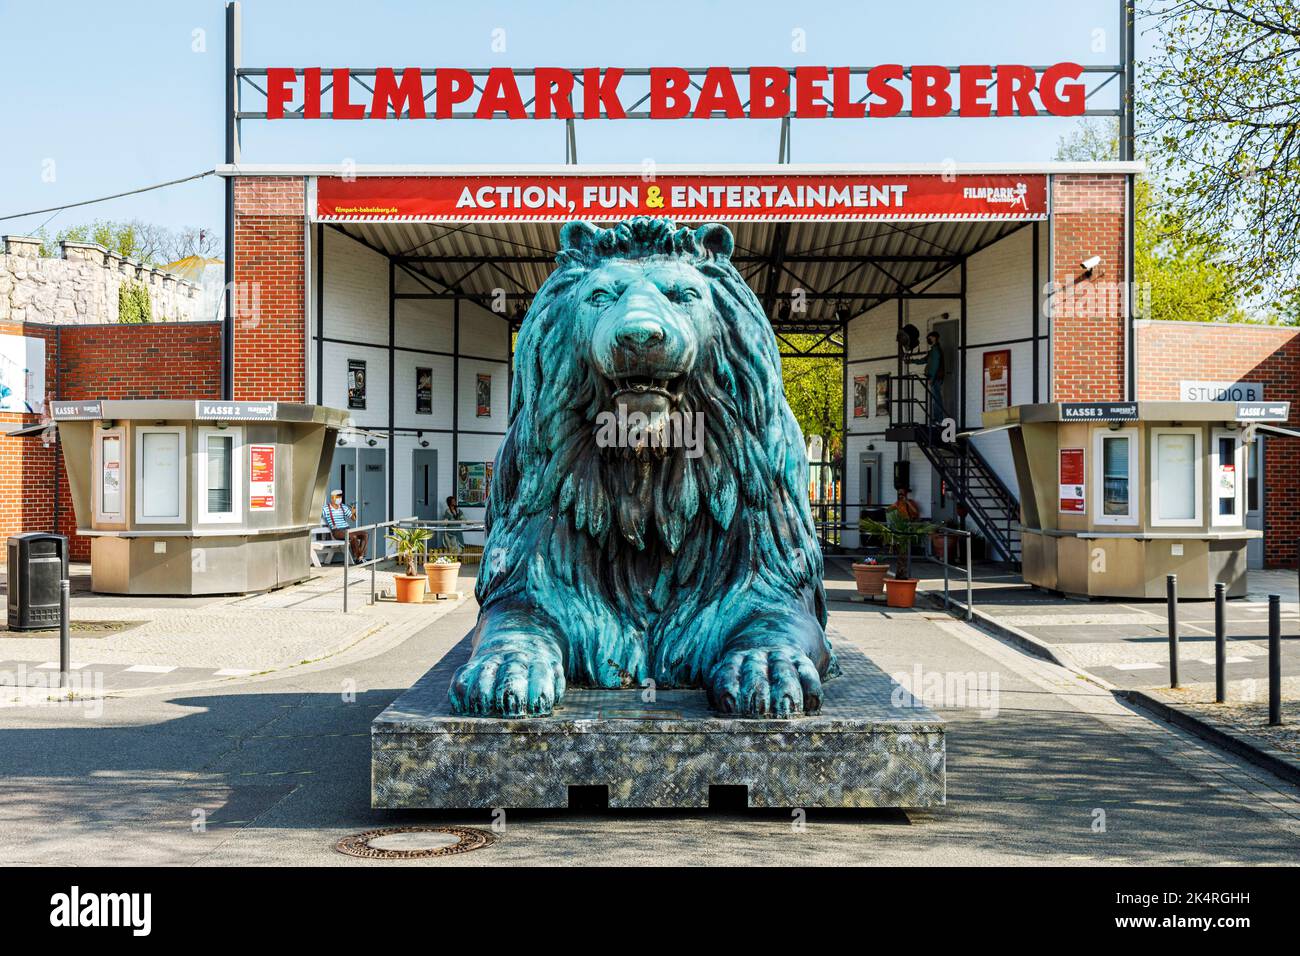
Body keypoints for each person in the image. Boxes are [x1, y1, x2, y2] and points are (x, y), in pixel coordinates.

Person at [909, 330, 945, 424]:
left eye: (929, 337)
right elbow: (924, 360)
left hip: (935, 378)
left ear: (934, 338)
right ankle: (938, 419)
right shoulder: (933, 350)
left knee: (936, 399)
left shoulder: (935, 350)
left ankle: (939, 419)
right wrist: (912, 361)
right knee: (936, 398)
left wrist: (931, 378)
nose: (928, 339)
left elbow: (935, 365)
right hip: (935, 378)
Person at [321, 489, 367, 564]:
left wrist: (353, 513)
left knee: (365, 534)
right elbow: (317, 516)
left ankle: (360, 557)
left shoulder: (343, 507)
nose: (339, 499)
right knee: (353, 537)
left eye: (340, 497)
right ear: (332, 498)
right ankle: (358, 558)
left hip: (347, 529)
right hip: (337, 531)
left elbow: (353, 519)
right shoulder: (326, 509)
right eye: (338, 497)